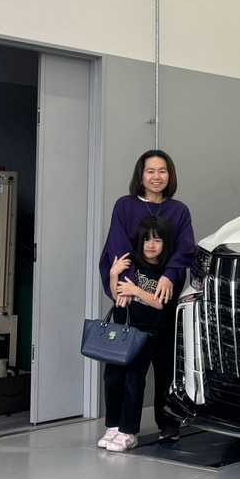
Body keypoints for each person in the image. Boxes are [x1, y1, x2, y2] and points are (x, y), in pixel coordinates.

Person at [97, 149, 196, 444]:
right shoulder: (125, 206)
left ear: (170, 175)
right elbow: (117, 248)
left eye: (162, 171)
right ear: (140, 176)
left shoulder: (179, 210)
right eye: (150, 171)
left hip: (163, 302)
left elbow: (186, 249)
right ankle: (120, 427)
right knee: (123, 371)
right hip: (132, 303)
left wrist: (169, 275)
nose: (156, 177)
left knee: (166, 368)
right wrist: (124, 287)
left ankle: (168, 423)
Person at [97, 216, 174, 451]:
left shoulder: (166, 271)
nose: (151, 245)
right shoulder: (132, 264)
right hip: (123, 330)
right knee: (111, 377)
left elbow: (159, 303)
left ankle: (129, 432)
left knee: (134, 380)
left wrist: (135, 290)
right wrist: (113, 274)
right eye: (146, 240)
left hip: (147, 333)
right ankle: (113, 426)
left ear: (165, 243)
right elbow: (117, 295)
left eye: (157, 240)